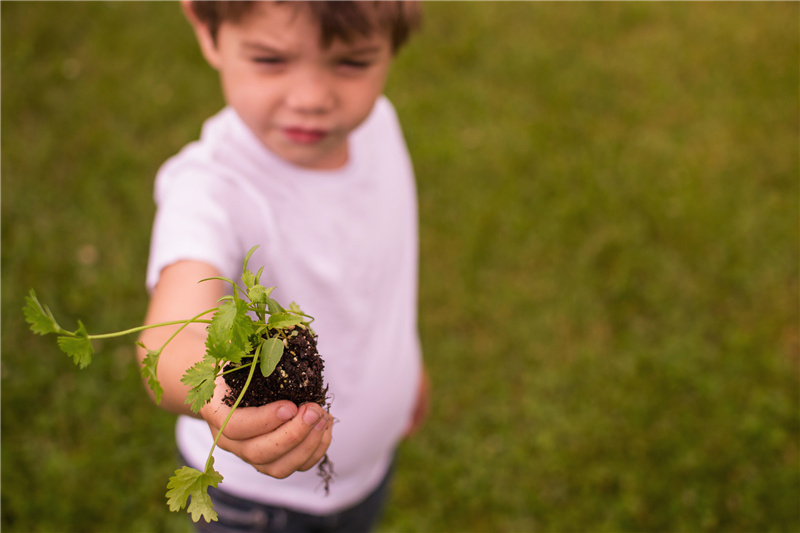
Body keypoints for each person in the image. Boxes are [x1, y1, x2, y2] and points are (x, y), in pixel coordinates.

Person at [136, 2, 429, 532]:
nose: (312, 99)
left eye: (353, 63)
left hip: (367, 474)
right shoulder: (211, 191)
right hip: (257, 507)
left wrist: (402, 368)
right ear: (208, 30)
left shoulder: (377, 124)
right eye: (271, 60)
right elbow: (165, 343)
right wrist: (223, 401)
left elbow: (376, 276)